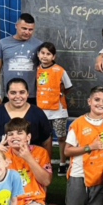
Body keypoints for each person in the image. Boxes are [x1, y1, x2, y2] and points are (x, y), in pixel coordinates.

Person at [64, 86, 103, 205]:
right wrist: (90, 147)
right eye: (97, 99)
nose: (101, 103)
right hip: (80, 173)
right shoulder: (78, 123)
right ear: (89, 101)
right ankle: (77, 194)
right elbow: (67, 151)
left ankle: (97, 197)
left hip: (99, 174)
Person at [0, 78, 52, 156]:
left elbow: (46, 141)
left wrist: (46, 161)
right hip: (3, 160)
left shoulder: (38, 113)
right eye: (13, 93)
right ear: (7, 94)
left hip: (32, 160)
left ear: (27, 94)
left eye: (22, 92)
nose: (18, 96)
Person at [34, 42, 73, 176]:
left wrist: (58, 95)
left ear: (53, 56)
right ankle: (46, 162)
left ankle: (62, 163)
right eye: (42, 53)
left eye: (48, 54)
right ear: (38, 54)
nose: (45, 56)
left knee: (61, 137)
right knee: (45, 138)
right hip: (42, 111)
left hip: (58, 111)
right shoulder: (36, 70)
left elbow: (68, 86)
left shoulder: (59, 70)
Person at [0, 13, 42, 106]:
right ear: (16, 25)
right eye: (24, 28)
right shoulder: (2, 44)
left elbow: (47, 70)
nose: (27, 32)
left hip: (32, 96)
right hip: (10, 95)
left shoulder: (39, 45)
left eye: (30, 30)